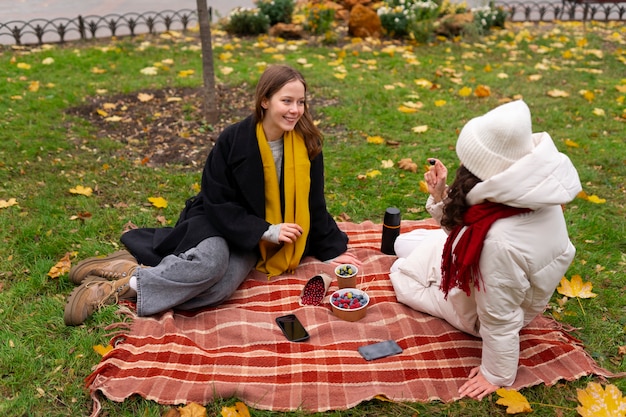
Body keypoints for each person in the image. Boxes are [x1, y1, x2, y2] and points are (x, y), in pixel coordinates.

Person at [64, 64, 361, 326]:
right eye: (287, 101)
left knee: (218, 290)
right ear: (265, 101)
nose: (295, 110)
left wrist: (333, 249)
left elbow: (314, 204)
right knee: (209, 265)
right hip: (218, 220)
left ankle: (127, 272)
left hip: (254, 238)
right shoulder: (234, 139)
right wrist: (267, 230)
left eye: (301, 102)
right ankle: (111, 290)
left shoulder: (308, 145)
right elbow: (216, 199)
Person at [389, 100, 582, 400]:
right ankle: (417, 257)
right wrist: (441, 196)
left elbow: (498, 316)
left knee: (399, 272)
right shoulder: (527, 192)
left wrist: (496, 374)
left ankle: (413, 272)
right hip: (504, 282)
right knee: (403, 243)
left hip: (481, 310)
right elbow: (466, 233)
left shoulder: (496, 241)